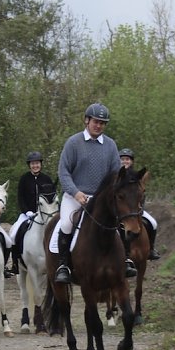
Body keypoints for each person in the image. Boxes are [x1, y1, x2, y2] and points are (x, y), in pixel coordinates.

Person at [54, 103, 137, 284]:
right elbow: (63, 171)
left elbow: (116, 174)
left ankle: (125, 260)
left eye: (102, 123)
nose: (98, 126)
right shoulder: (73, 142)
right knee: (66, 223)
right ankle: (63, 265)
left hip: (101, 199)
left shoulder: (110, 145)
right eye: (95, 122)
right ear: (87, 120)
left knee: (121, 222)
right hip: (75, 196)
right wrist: (75, 192)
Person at [7, 151, 56, 273]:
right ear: (29, 165)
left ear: (40, 164)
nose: (35, 166)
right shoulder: (24, 179)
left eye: (37, 163)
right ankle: (15, 264)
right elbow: (20, 198)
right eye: (33, 164)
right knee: (13, 234)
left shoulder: (47, 179)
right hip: (27, 214)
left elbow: (52, 198)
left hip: (45, 214)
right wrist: (27, 212)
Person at [119, 148, 160, 260]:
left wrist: (140, 207)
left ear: (132, 161)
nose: (125, 161)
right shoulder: (117, 176)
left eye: (127, 159)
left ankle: (151, 249)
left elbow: (141, 194)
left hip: (136, 209)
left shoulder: (136, 176)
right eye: (122, 159)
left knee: (153, 223)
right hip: (121, 211)